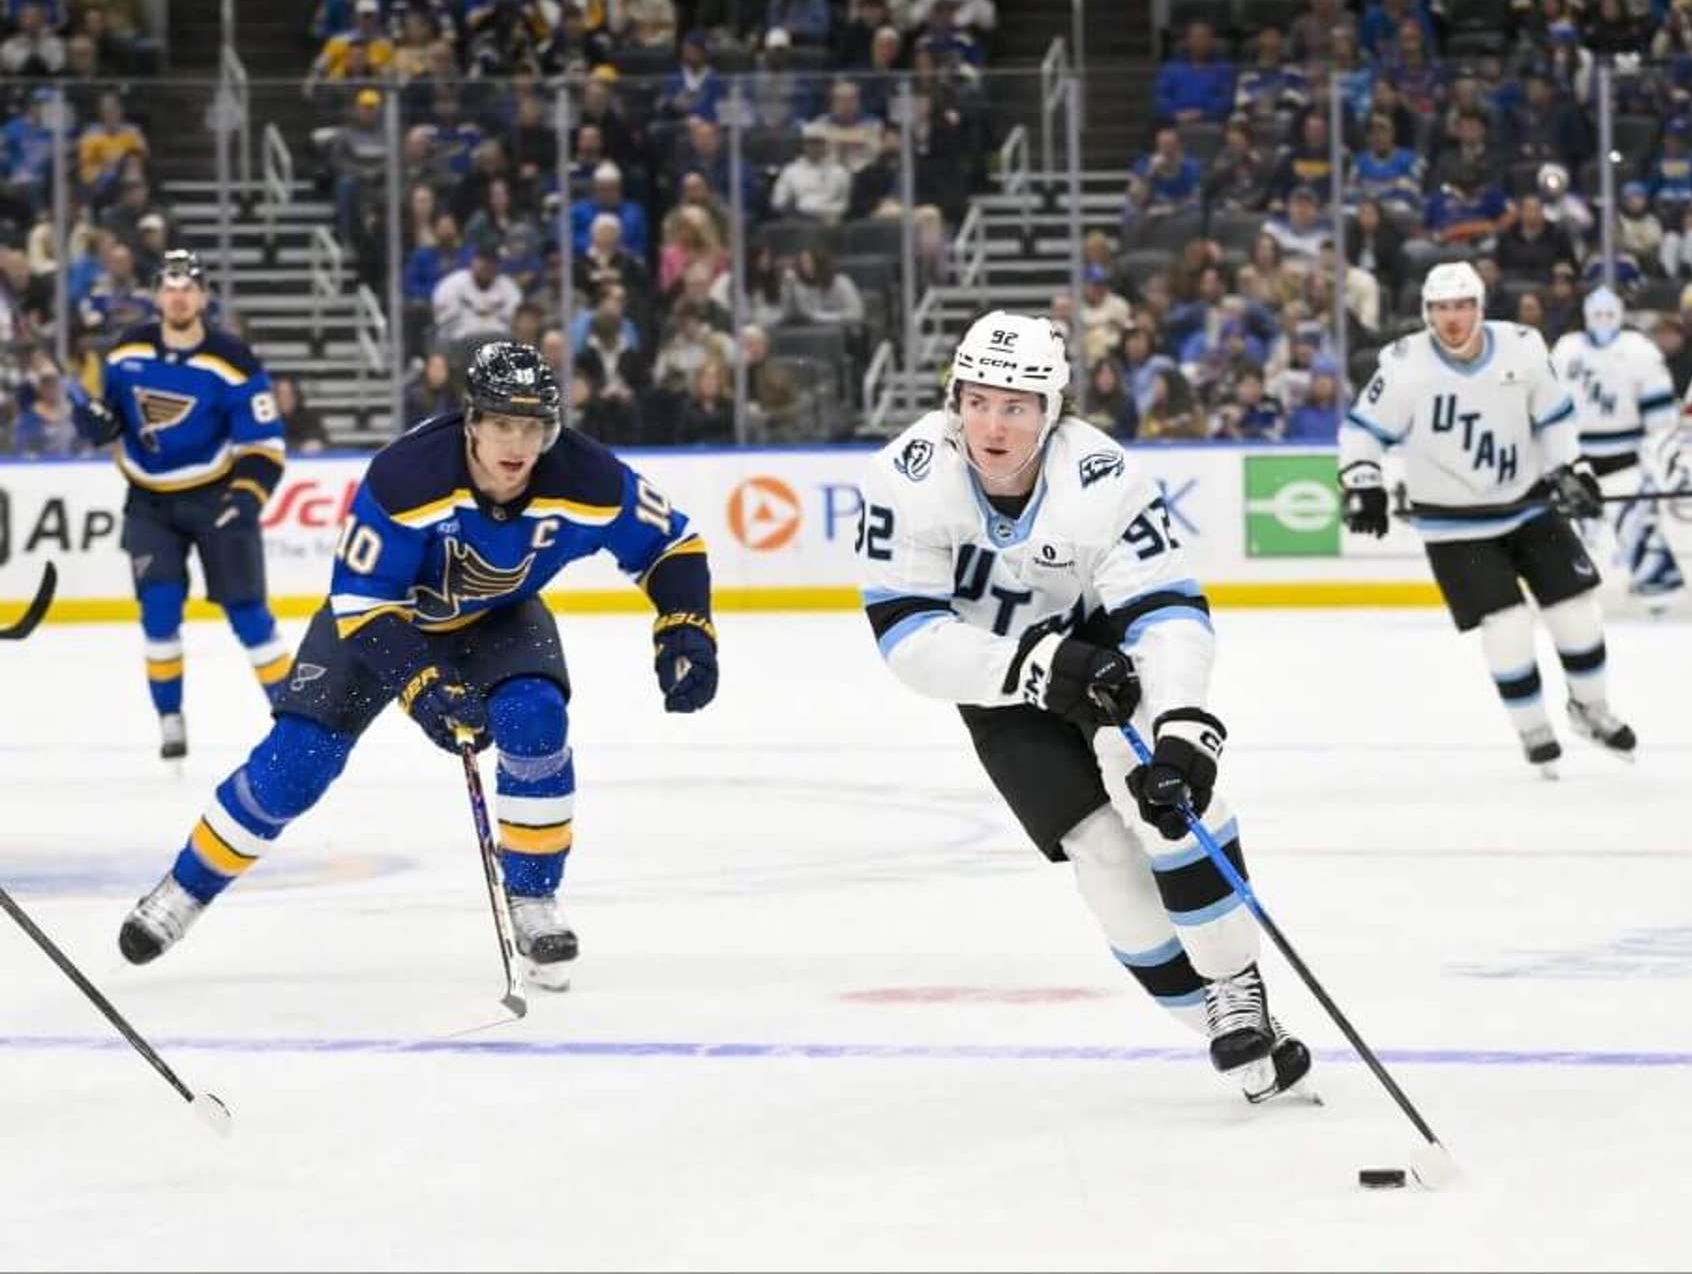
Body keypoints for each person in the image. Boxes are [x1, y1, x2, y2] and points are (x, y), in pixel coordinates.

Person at [114, 342, 720, 989]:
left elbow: (672, 542)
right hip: (380, 624)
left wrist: (685, 623)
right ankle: (186, 887)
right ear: (472, 423)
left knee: (536, 717)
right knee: (294, 766)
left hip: (498, 616)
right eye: (502, 424)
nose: (518, 443)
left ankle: (534, 897)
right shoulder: (407, 477)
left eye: (533, 426)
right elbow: (361, 602)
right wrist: (423, 686)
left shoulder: (587, 477)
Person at [856, 311, 1313, 1104]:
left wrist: (1180, 725)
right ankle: (1223, 1028)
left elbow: (1165, 606)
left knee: (1166, 803)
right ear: (953, 396)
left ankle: (1235, 982)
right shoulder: (907, 474)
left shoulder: (1100, 475)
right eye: (979, 399)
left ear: (1053, 411)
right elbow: (909, 638)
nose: (993, 424)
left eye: (1017, 405)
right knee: (1100, 854)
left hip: (1105, 652)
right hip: (996, 683)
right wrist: (1029, 667)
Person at [1338, 263, 1637, 777]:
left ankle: (1590, 710)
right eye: (1440, 308)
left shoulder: (1523, 347)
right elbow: (1361, 432)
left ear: (1480, 307)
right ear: (1427, 313)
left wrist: (1573, 468)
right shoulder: (1405, 364)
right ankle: (1533, 729)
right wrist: (1363, 482)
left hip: (1528, 505)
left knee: (1576, 614)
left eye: (1461, 306)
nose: (1451, 319)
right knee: (1508, 627)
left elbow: (1556, 420)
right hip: (1455, 527)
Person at [71, 249, 292, 762]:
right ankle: (169, 718)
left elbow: (265, 444)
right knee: (159, 612)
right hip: (149, 503)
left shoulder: (233, 359)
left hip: (217, 497)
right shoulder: (126, 352)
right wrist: (97, 425)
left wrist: (246, 497)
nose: (179, 295)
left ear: (203, 296)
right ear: (156, 294)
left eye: (188, 286)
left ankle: (294, 718)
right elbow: (106, 416)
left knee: (249, 615)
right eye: (169, 286)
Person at [1550, 288, 1687, 605]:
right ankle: (1571, 599)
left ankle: (1659, 593)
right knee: (1569, 538)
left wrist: (1662, 456)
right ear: (1585, 316)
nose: (1603, 321)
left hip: (1626, 460)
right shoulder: (1566, 351)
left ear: (1621, 315)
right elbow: (1551, 408)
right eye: (1596, 314)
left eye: (1609, 314)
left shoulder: (1639, 350)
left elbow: (1660, 417)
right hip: (1577, 462)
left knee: (1638, 529)